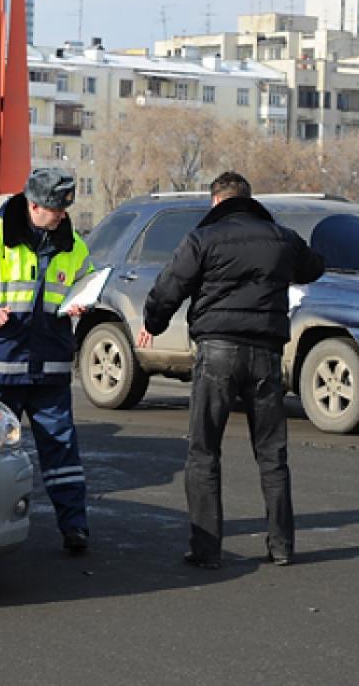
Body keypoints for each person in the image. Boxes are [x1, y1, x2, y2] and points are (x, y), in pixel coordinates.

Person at [136, 172, 323, 570]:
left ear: (216, 202)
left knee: (204, 452)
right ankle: (282, 546)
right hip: (267, 356)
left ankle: (206, 550)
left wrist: (152, 324)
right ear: (249, 200)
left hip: (217, 352)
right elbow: (313, 268)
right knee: (272, 453)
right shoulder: (282, 237)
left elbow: (170, 287)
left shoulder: (203, 239)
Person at [0, 168, 96, 553]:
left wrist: (84, 305)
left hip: (50, 369)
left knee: (62, 452)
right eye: (54, 209)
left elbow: (89, 285)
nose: (62, 216)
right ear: (33, 206)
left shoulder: (74, 244)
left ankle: (75, 527)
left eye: (64, 209)